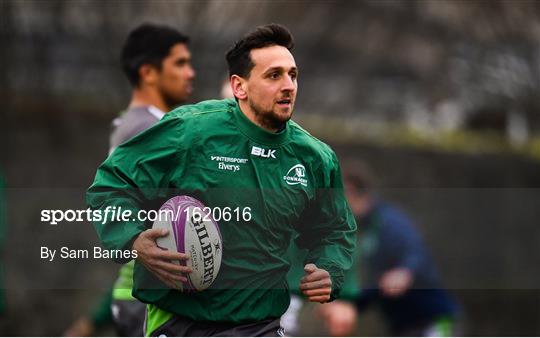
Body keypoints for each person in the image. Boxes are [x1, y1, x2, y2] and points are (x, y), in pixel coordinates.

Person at [86, 24, 356, 337]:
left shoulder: (314, 158)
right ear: (239, 87)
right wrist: (133, 238)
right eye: (274, 75)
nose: (288, 86)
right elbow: (112, 183)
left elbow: (334, 230)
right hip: (179, 322)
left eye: (292, 75)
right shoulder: (191, 131)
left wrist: (329, 270)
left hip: (260, 325)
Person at [64, 23, 195, 337]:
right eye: (179, 63)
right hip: (149, 301)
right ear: (148, 72)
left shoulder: (138, 122)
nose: (190, 72)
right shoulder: (147, 129)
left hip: (137, 296)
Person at [318, 160, 459, 336]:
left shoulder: (389, 221)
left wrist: (404, 272)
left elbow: (416, 251)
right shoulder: (361, 229)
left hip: (432, 320)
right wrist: (346, 305)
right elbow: (376, 286)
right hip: (403, 327)